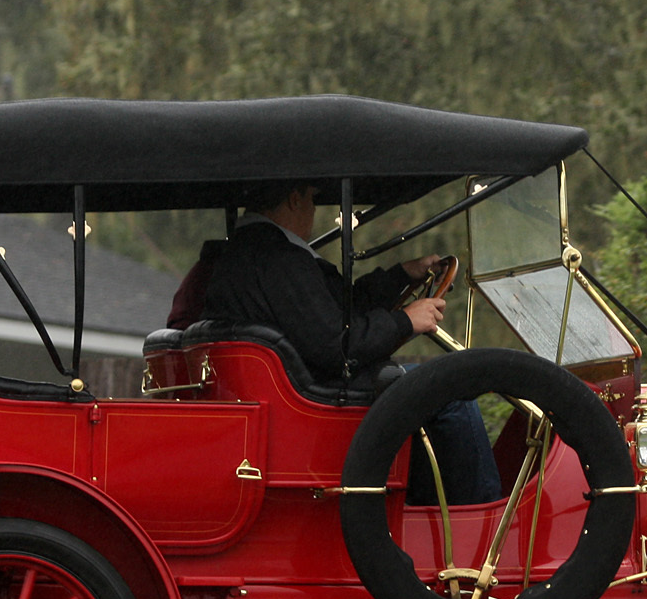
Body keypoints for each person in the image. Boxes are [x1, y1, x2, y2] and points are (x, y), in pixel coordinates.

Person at [200, 181, 501, 503]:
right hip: (317, 397)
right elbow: (335, 347)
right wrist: (405, 321)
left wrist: (402, 275)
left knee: (427, 386)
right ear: (294, 198)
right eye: (312, 201)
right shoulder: (278, 258)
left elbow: (334, 312)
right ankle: (481, 516)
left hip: (299, 388)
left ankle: (428, 507)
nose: (313, 212)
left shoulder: (254, 251)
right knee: (452, 394)